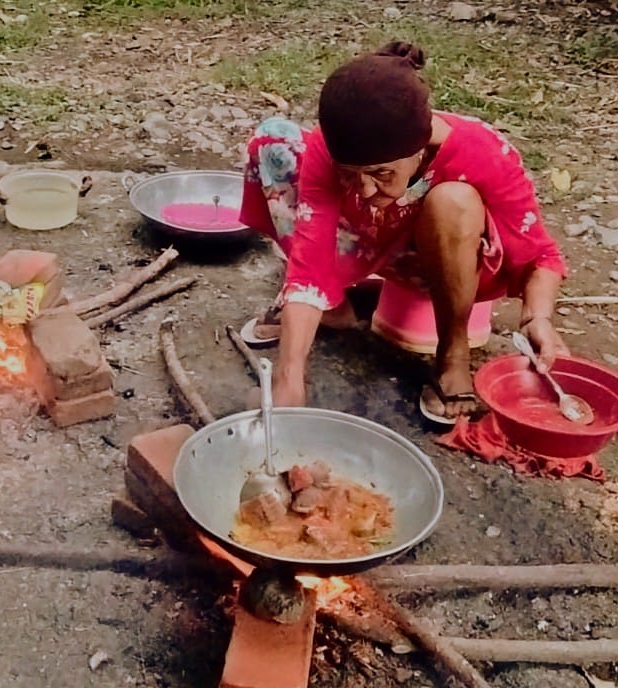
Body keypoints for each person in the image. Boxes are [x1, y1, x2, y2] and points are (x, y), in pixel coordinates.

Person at [238, 41, 570, 423]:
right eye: (350, 175)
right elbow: (309, 261)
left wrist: (536, 319)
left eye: (381, 174)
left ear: (420, 148)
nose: (363, 190)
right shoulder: (332, 152)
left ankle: (453, 355)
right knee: (273, 140)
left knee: (453, 201)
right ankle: (335, 305)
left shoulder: (482, 152)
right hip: (375, 239)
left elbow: (542, 256)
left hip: (444, 260)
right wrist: (288, 375)